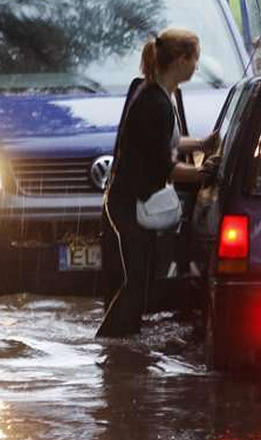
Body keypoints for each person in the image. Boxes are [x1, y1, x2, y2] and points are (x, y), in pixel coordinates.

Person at [97, 27, 219, 338]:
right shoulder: (157, 104)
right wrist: (202, 174)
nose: (195, 67)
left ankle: (121, 352)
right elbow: (162, 165)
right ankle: (111, 348)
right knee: (135, 282)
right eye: (195, 60)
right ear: (181, 60)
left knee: (138, 281)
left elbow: (166, 143)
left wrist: (202, 145)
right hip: (129, 204)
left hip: (128, 200)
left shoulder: (159, 95)